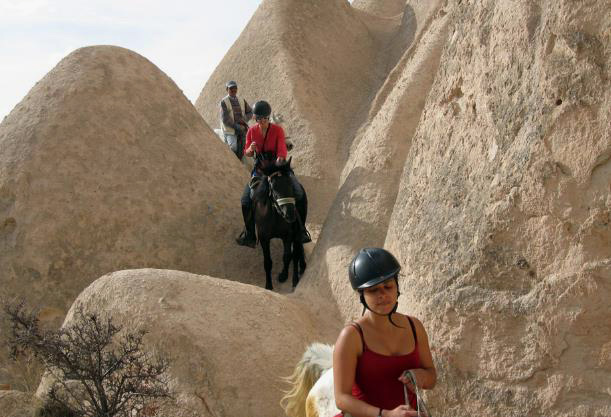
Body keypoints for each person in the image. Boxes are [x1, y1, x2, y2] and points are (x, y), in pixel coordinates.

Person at [333, 248, 437, 417]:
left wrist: (421, 376)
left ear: (397, 287)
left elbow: (431, 377)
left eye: (388, 286)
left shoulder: (415, 327)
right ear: (362, 295)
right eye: (373, 290)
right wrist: (386, 414)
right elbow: (341, 399)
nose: (383, 295)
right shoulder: (351, 336)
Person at [236, 100, 311, 248]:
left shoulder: (277, 130)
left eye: (265, 118)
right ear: (255, 119)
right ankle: (250, 234)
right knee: (246, 200)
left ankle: (301, 230)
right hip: (260, 170)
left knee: (299, 192)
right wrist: (250, 149)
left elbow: (282, 149)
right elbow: (247, 153)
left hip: (278, 167)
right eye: (259, 119)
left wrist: (280, 159)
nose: (263, 122)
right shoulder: (251, 132)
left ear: (268, 118)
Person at [219, 80, 253, 160]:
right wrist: (236, 126)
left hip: (242, 128)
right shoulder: (223, 102)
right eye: (231, 88)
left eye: (235, 88)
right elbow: (225, 119)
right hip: (230, 129)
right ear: (227, 89)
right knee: (233, 147)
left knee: (248, 146)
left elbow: (250, 112)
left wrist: (244, 119)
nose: (233, 90)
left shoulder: (242, 100)